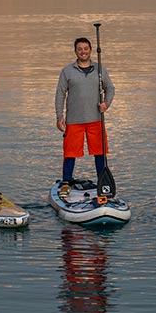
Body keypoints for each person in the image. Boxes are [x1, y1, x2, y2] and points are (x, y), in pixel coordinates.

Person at [54, 36, 115, 195]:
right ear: (75, 51)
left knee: (100, 153)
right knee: (70, 153)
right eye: (80, 49)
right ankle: (66, 182)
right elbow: (60, 94)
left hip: (96, 119)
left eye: (86, 49)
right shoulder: (67, 71)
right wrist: (59, 116)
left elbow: (110, 88)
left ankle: (103, 182)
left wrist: (106, 104)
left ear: (90, 50)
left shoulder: (100, 68)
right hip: (74, 120)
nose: (83, 52)